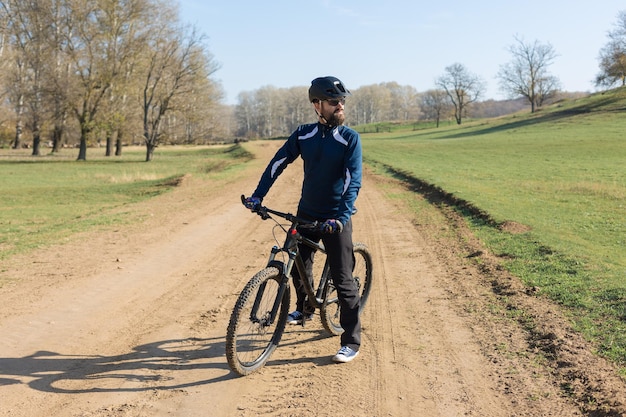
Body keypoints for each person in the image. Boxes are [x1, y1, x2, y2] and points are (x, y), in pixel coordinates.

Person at [243, 76, 362, 363]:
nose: (340, 106)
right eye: (334, 102)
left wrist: (342, 217)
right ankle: (305, 308)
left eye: (342, 101)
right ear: (317, 105)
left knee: (344, 280)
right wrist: (258, 196)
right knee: (296, 265)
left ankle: (351, 341)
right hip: (306, 212)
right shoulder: (303, 135)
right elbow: (278, 163)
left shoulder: (349, 139)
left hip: (335, 217)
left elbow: (352, 182)